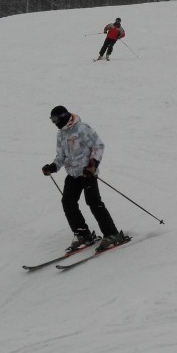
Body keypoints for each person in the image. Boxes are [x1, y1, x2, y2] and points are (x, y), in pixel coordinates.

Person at [42, 105, 128, 252]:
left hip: (87, 173)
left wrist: (93, 164)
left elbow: (98, 145)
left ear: (63, 116)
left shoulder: (82, 128)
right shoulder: (60, 135)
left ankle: (112, 234)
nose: (54, 122)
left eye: (55, 119)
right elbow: (61, 157)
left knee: (93, 202)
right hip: (72, 174)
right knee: (68, 202)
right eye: (52, 120)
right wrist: (53, 167)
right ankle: (83, 234)